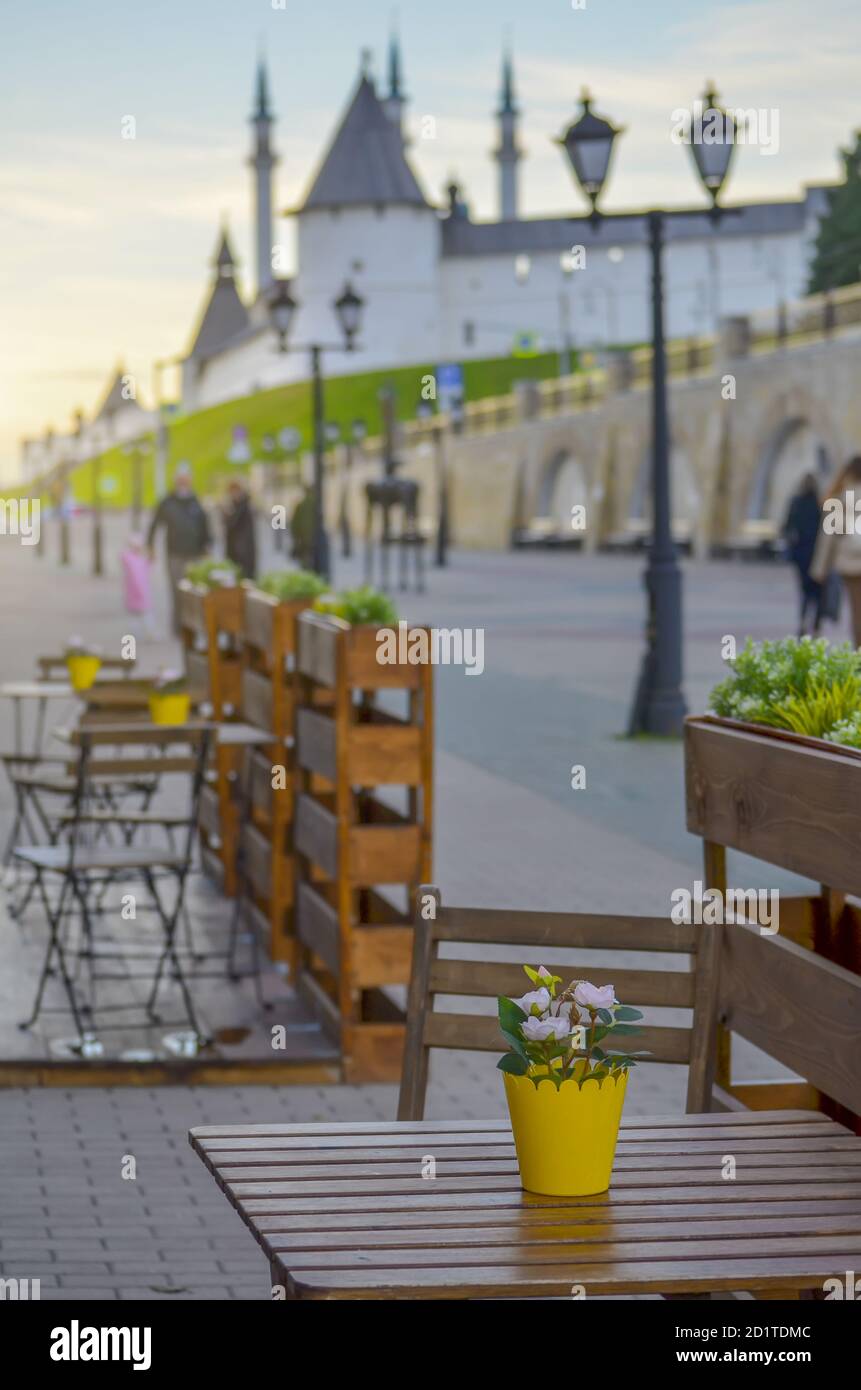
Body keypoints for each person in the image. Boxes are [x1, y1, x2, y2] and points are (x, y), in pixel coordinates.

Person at [147, 463, 211, 634]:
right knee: (177, 590)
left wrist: (207, 546)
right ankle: (178, 627)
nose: (183, 481)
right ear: (176, 480)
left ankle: (193, 626)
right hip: (175, 553)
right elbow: (154, 524)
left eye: (186, 478)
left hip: (195, 553)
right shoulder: (168, 502)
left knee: (194, 591)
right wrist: (150, 546)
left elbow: (205, 525)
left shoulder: (196, 501)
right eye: (180, 478)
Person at [813, 455, 861, 647]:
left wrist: (820, 569)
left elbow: (829, 537)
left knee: (857, 613)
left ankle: (858, 657)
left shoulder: (841, 497)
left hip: (850, 565)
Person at [781, 473, 822, 636]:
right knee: (818, 591)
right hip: (817, 553)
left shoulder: (796, 502)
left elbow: (786, 526)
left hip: (800, 553)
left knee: (804, 590)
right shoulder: (820, 504)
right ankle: (816, 626)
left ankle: (803, 622)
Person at [119, 533, 154, 637]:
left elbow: (148, 566)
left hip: (138, 592)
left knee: (140, 615)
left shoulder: (139, 559)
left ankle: (145, 632)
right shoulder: (131, 560)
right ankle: (145, 632)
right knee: (142, 614)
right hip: (138, 592)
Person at [222, 479, 257, 580]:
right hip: (235, 552)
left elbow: (232, 523)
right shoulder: (235, 505)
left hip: (244, 553)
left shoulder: (243, 506)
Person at [290, 485, 315, 571]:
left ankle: (307, 571)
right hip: (313, 537)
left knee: (306, 559)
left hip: (303, 538)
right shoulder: (316, 504)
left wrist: (296, 537)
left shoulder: (300, 505)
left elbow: (294, 523)